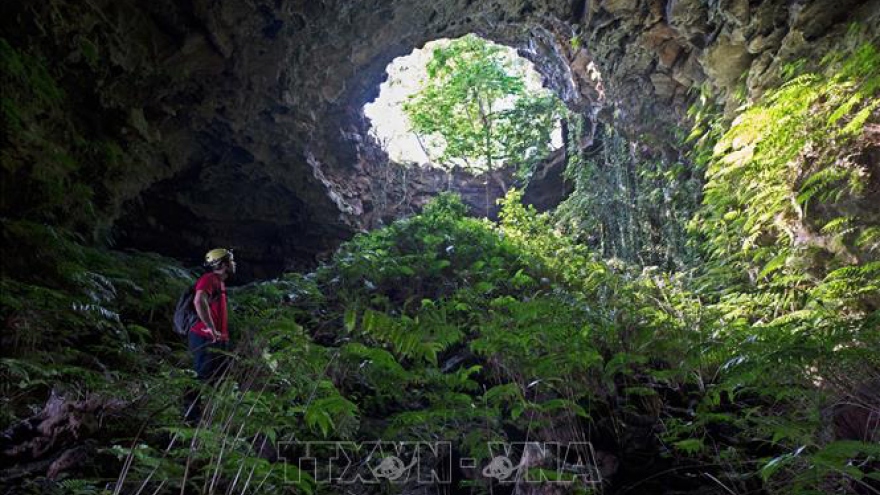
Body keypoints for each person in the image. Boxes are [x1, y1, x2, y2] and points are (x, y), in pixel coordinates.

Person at [184, 248, 236, 424]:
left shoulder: (219, 283)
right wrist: (211, 328)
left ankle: (209, 415)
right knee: (201, 375)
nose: (234, 263)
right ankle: (190, 418)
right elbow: (199, 300)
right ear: (222, 265)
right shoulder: (209, 279)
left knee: (220, 375)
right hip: (204, 336)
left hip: (217, 339)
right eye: (231, 260)